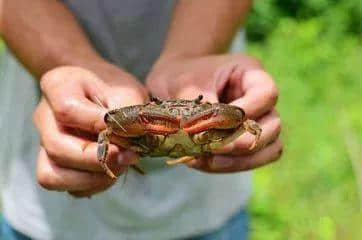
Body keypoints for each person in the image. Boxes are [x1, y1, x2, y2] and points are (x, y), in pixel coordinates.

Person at [0, 0, 282, 239]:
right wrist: (71, 62)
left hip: (209, 205)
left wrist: (191, 55)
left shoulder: (208, 112)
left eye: (192, 110)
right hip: (46, 211)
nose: (178, 120)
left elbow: (242, 120)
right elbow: (107, 131)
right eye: (161, 111)